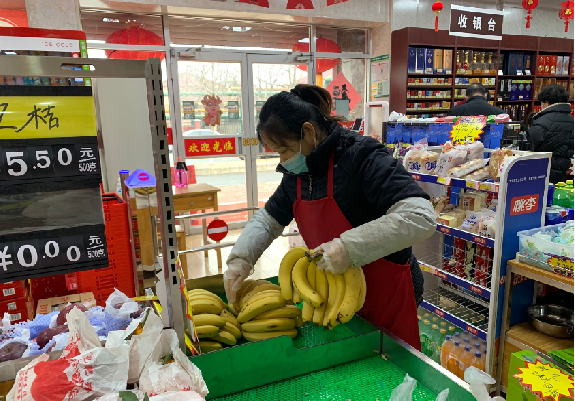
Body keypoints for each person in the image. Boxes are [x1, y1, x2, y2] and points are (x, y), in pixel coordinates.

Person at [224, 84, 436, 350]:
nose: (283, 160)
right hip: (334, 296)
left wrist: (348, 248)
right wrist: (241, 260)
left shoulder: (362, 156)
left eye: (284, 150)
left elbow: (420, 215)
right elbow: (268, 220)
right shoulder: (297, 174)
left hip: (387, 296)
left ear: (308, 132)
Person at [527, 84, 574, 184]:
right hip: (562, 171)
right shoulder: (571, 120)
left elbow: (529, 144)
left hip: (539, 170)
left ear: (546, 102)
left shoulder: (543, 121)